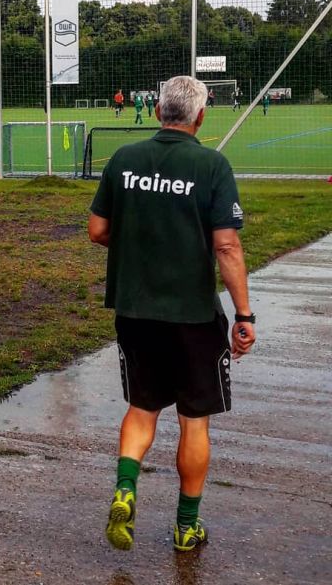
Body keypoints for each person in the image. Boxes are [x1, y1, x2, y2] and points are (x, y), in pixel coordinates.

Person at [87, 75, 255, 554]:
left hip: (136, 311)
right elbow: (227, 244)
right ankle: (186, 527)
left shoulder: (124, 160)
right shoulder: (212, 165)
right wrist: (245, 315)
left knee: (142, 410)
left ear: (158, 110)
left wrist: (141, 242)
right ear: (200, 117)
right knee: (194, 421)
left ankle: (125, 488)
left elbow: (97, 229)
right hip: (193, 317)